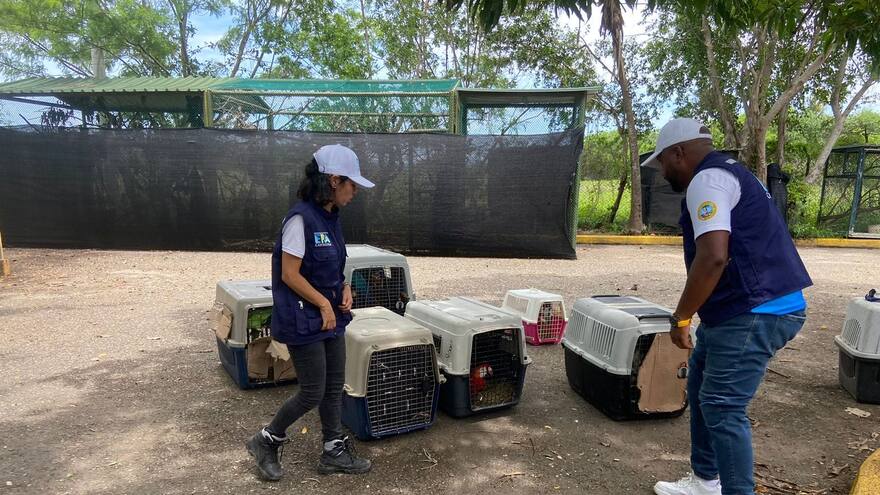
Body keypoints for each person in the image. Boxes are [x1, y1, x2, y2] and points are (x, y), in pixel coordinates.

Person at [643, 119, 812, 495]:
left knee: (722, 406)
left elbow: (713, 256)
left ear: (678, 153)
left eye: (663, 164)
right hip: (741, 309)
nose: (664, 172)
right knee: (702, 383)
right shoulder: (731, 173)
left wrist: (681, 316)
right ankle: (706, 480)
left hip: (755, 311)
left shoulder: (707, 181)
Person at [246, 144, 375, 481]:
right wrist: (321, 303)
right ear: (334, 180)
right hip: (306, 317)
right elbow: (289, 274)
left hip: (331, 316)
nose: (355, 190)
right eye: (352, 183)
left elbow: (332, 266)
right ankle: (266, 440)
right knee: (312, 391)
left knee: (334, 387)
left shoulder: (331, 218)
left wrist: (345, 288)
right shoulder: (300, 219)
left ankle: (333, 451)